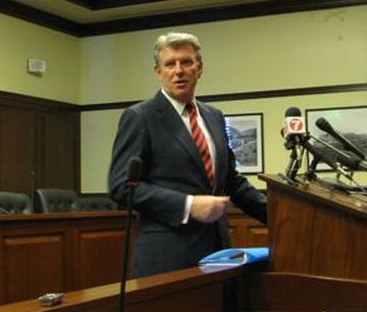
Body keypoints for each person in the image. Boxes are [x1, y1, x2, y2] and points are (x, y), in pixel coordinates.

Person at [108, 31, 267, 277]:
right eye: (170, 64)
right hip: (167, 255)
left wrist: (281, 218)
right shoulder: (141, 117)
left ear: (200, 68)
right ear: (158, 72)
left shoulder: (213, 116)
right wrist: (188, 205)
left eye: (186, 62)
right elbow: (121, 186)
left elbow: (230, 181)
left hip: (218, 249)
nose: (178, 70)